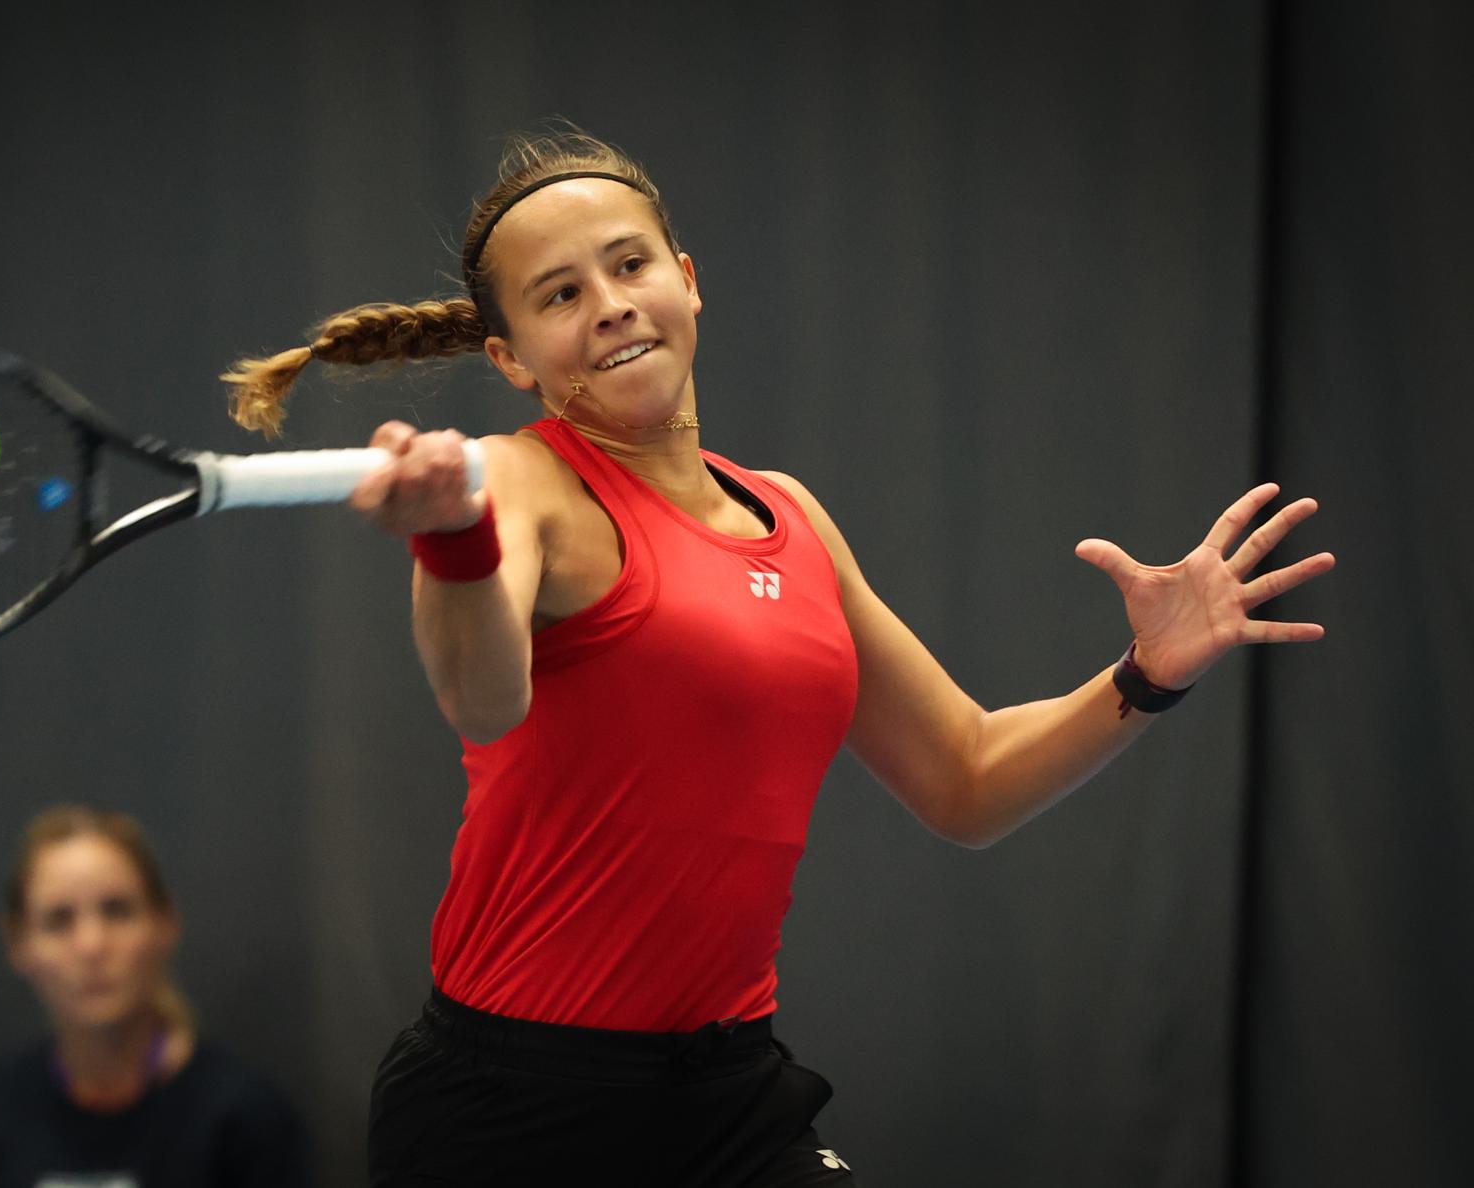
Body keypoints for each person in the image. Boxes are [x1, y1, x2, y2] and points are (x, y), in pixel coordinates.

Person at [222, 129, 1333, 1187]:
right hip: (511, 1107)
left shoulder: (791, 517)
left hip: (728, 1099)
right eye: (560, 295)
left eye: (629, 265)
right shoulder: (517, 483)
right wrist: (455, 541)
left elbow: (967, 778)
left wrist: (1148, 673)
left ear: (688, 278)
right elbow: (480, 698)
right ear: (510, 355)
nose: (609, 307)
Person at [0, 805, 312, 1188]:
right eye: (58, 920)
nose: (91, 945)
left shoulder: (245, 1123)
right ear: (18, 943)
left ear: (165, 922)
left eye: (117, 911)